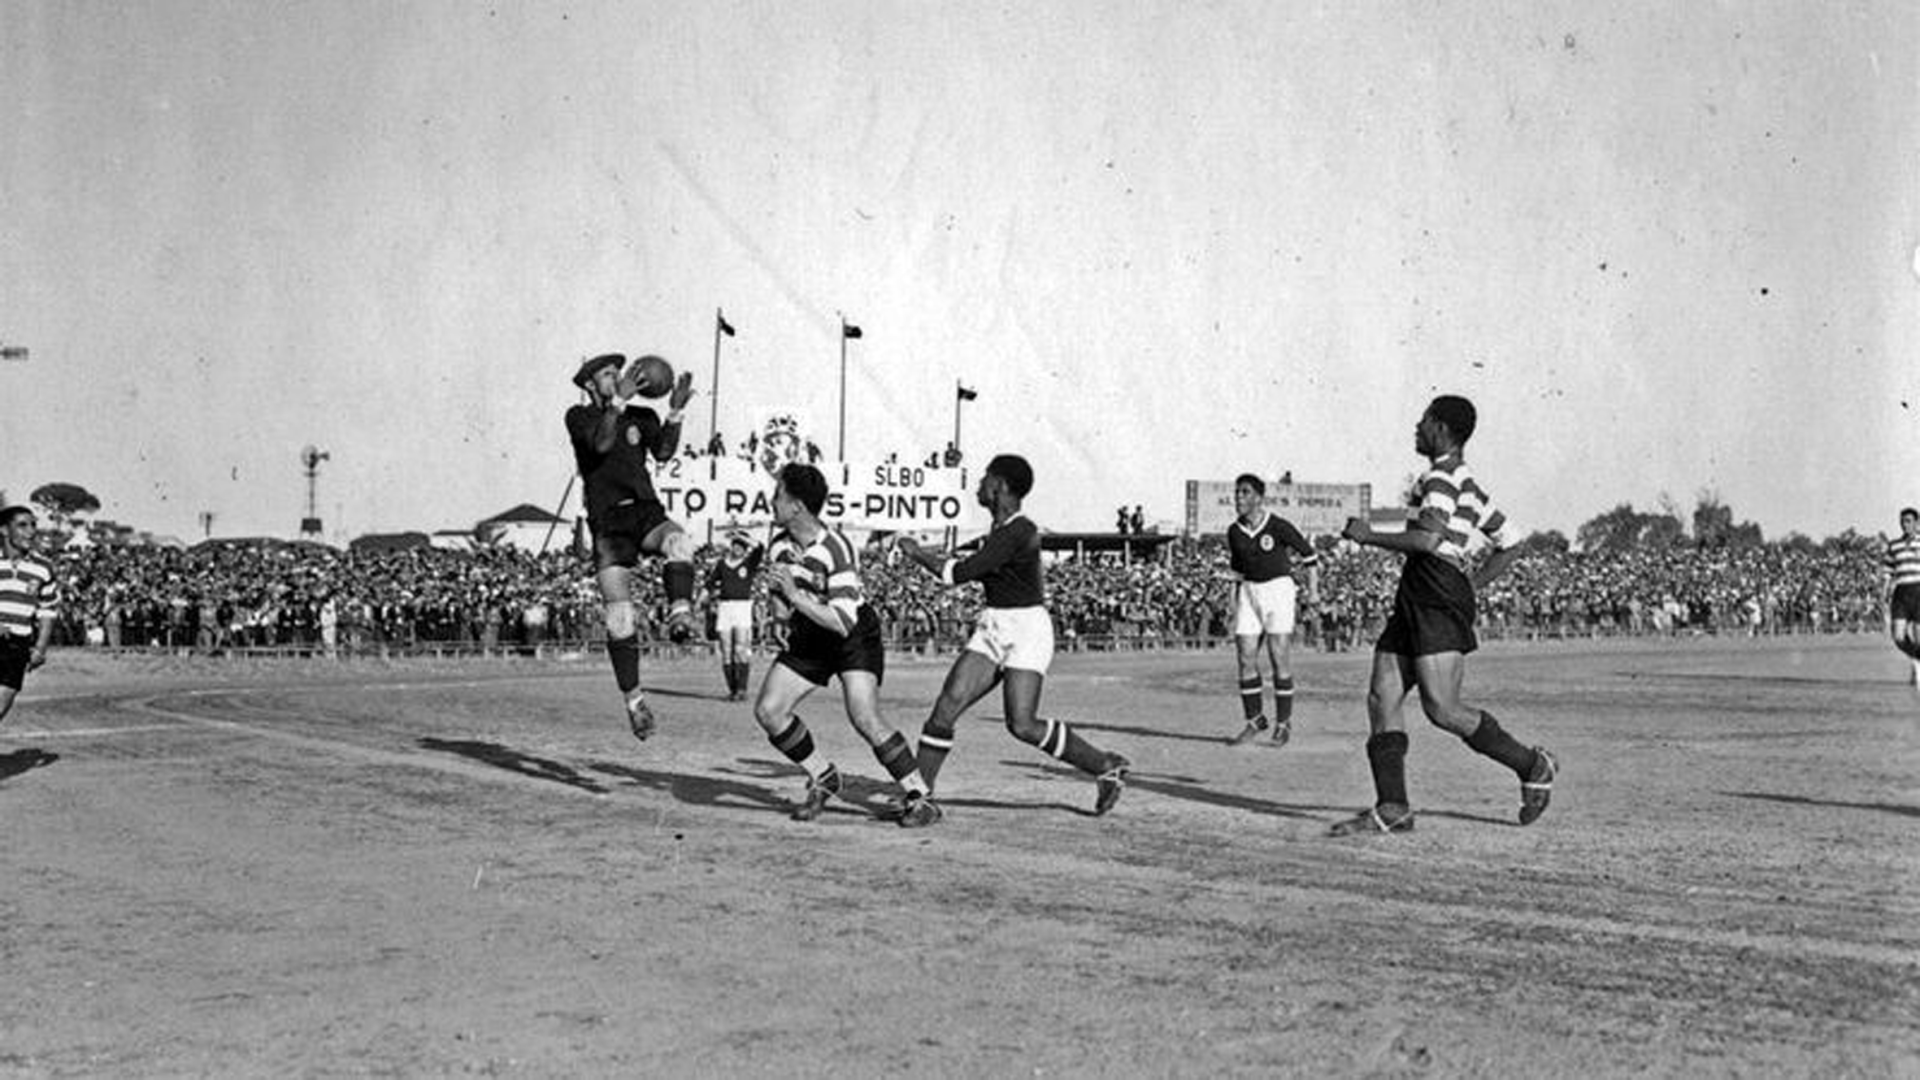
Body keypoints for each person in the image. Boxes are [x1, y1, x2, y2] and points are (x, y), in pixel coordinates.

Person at [1332, 396, 1558, 835]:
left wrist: (1367, 536)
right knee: (1382, 696)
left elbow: (1427, 541)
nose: (1416, 428)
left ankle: (1533, 763)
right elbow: (1510, 540)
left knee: (1443, 708)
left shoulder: (1442, 477)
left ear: (1439, 428)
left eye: (1422, 422)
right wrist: (1470, 585)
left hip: (1434, 591)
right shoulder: (1464, 482)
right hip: (1422, 591)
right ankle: (1393, 806)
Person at [896, 454, 1131, 815]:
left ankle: (1104, 765)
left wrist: (915, 553)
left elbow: (959, 573)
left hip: (1027, 631)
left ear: (1000, 486)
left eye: (985, 479)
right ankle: (920, 797)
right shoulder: (1001, 532)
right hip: (995, 624)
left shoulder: (1020, 531)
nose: (979, 485)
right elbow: (970, 566)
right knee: (945, 708)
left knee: (1021, 724)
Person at [750, 464, 940, 827]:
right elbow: (779, 592)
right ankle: (824, 777)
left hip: (851, 635)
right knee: (769, 711)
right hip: (810, 631)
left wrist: (794, 596)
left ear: (797, 507)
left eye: (778, 496)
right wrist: (778, 617)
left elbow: (842, 620)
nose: (771, 502)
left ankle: (921, 796)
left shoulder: (836, 547)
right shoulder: (779, 545)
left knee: (864, 715)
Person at [565, 352, 698, 741]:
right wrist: (618, 402)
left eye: (617, 373)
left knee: (679, 541)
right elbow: (603, 445)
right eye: (608, 375)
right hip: (608, 523)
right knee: (619, 617)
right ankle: (635, 703)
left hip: (644, 511)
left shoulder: (643, 417)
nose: (617, 378)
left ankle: (680, 613)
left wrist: (673, 412)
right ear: (590, 384)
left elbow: (663, 453)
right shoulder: (580, 418)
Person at [1223, 473, 1320, 746]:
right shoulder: (1234, 531)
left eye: (1244, 493)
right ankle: (1255, 720)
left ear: (1258, 497)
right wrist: (1232, 603)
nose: (1239, 498)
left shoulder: (1277, 526)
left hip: (1278, 590)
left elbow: (1310, 556)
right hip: (1248, 592)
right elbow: (1236, 571)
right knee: (1245, 657)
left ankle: (1283, 723)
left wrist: (1313, 592)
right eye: (1237, 492)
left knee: (1278, 657)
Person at [0, 506, 59, 727]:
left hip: (18, 643)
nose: (31, 531)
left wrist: (41, 647)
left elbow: (47, 610)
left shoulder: (43, 568)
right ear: (5, 530)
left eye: (33, 525)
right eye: (22, 525)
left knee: (2, 704)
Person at [708, 530, 764, 701]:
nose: (739, 548)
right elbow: (710, 583)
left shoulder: (749, 564)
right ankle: (732, 689)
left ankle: (742, 689)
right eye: (736, 545)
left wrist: (745, 536)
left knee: (740, 647)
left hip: (742, 607)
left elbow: (761, 548)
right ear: (731, 547)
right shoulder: (722, 564)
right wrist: (700, 599)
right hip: (725, 607)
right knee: (726, 648)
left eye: (742, 546)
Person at [1882, 507, 1920, 686]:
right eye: (1903, 521)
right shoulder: (1894, 545)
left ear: (1916, 523)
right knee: (1898, 637)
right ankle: (1917, 659)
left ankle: (1917, 668)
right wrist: (1885, 589)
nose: (1905, 525)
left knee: (1919, 636)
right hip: (1901, 592)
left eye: (1909, 521)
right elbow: (1888, 570)